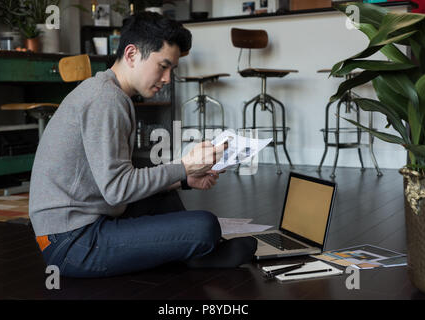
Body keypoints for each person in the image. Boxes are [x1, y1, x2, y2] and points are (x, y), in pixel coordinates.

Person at [29, 12, 256, 278]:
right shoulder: (106, 99)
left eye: (172, 69)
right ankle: (196, 251)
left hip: (79, 226)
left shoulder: (110, 92)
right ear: (132, 54)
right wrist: (184, 166)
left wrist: (184, 179)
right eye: (163, 66)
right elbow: (117, 189)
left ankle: (193, 252)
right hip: (71, 243)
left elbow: (120, 179)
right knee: (205, 226)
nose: (167, 78)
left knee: (165, 195)